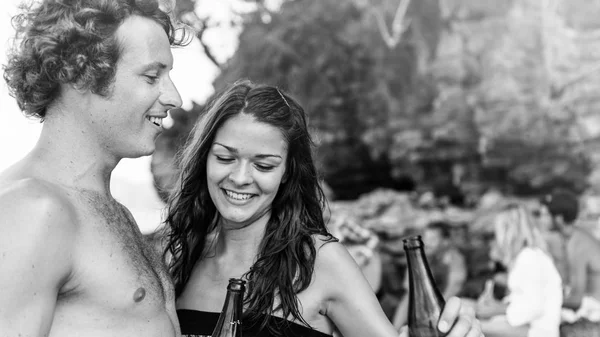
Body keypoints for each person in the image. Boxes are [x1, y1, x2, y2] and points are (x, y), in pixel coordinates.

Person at [163, 80, 483, 337]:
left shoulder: (318, 262)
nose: (240, 178)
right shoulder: (178, 259)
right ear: (204, 158)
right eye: (225, 158)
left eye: (263, 165)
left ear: (287, 171)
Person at [0, 0, 188, 336]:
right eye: (151, 76)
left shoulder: (113, 211)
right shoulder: (33, 212)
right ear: (79, 73)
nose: (174, 97)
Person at [475, 203, 562, 337]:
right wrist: (495, 305)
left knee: (472, 326)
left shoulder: (529, 258)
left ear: (508, 230)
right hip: (528, 327)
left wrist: (497, 309)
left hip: (537, 331)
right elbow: (524, 299)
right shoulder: (528, 256)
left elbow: (534, 307)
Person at [392, 221, 468, 329]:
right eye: (426, 239)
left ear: (445, 242)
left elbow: (453, 289)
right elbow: (410, 294)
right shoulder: (420, 258)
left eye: (433, 239)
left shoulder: (455, 259)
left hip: (447, 309)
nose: (427, 243)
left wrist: (433, 316)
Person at [539, 188, 600, 321]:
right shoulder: (570, 239)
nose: (541, 220)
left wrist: (537, 302)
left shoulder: (578, 244)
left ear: (559, 218)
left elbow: (576, 300)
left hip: (594, 311)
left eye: (545, 215)